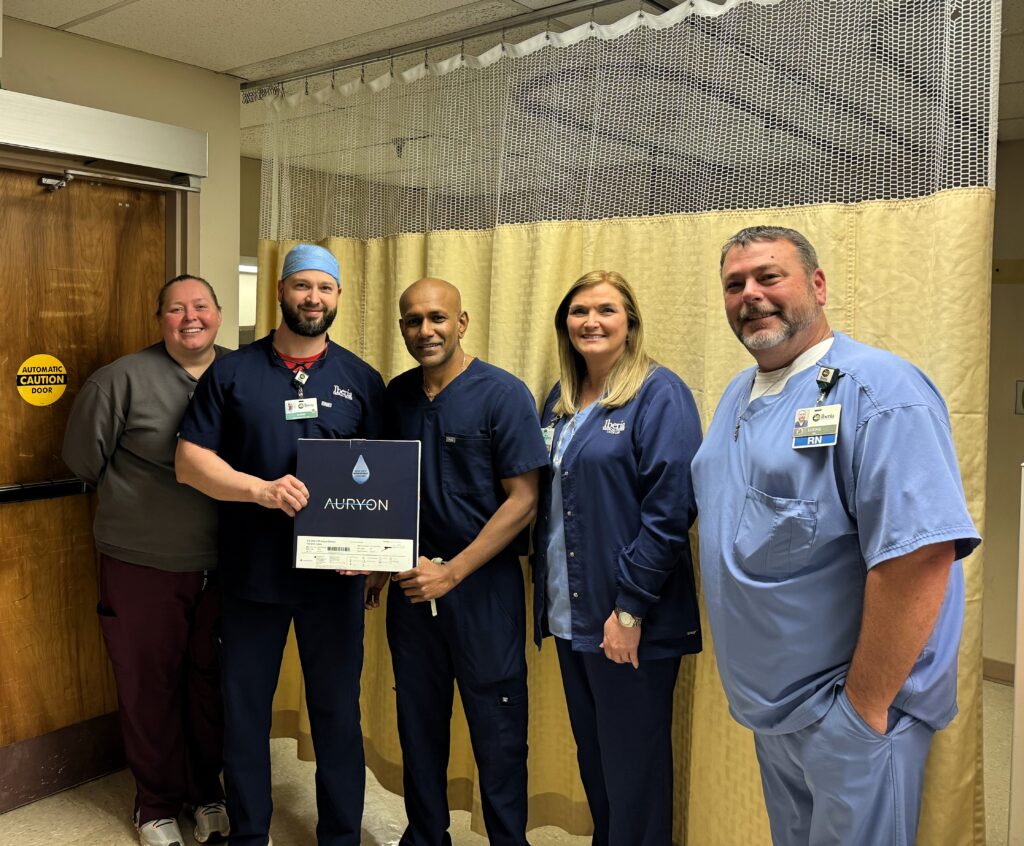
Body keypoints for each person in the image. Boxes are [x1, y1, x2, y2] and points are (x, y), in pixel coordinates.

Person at [691, 226, 981, 845]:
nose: (751, 295)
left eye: (770, 276)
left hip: (850, 712)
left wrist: (862, 710)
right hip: (775, 710)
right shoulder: (740, 396)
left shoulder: (880, 391)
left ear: (818, 286)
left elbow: (922, 556)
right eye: (734, 284)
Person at [175, 244, 385, 846]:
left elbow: (390, 479)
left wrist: (376, 563)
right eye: (302, 286)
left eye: (324, 288)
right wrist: (260, 491)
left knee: (338, 716)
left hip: (333, 584)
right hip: (253, 576)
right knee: (245, 715)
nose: (312, 298)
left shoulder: (360, 381)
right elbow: (190, 463)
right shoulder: (233, 372)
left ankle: (341, 835)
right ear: (281, 292)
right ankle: (249, 835)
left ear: (338, 297)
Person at [366, 277, 548, 846]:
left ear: (462, 322)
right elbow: (383, 492)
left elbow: (525, 500)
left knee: (497, 731)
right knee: (418, 724)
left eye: (438, 318)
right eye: (414, 321)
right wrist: (377, 557)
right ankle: (425, 835)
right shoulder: (393, 398)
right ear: (402, 329)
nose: (427, 330)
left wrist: (454, 571)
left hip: (482, 591)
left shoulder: (502, 394)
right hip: (413, 590)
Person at [531, 270, 703, 846]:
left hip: (628, 619)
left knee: (635, 773)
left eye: (606, 309)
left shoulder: (659, 393)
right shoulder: (558, 398)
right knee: (599, 763)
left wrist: (628, 610)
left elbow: (671, 510)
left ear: (629, 322)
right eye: (579, 311)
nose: (591, 321)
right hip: (571, 614)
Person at [62, 274, 230, 846]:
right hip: (143, 562)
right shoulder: (119, 380)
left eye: (201, 306)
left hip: (228, 564)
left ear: (220, 313)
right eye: (175, 309)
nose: (190, 317)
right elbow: (84, 460)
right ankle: (155, 803)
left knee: (212, 686)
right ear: (159, 319)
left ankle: (207, 791)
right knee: (148, 686)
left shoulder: (242, 372)